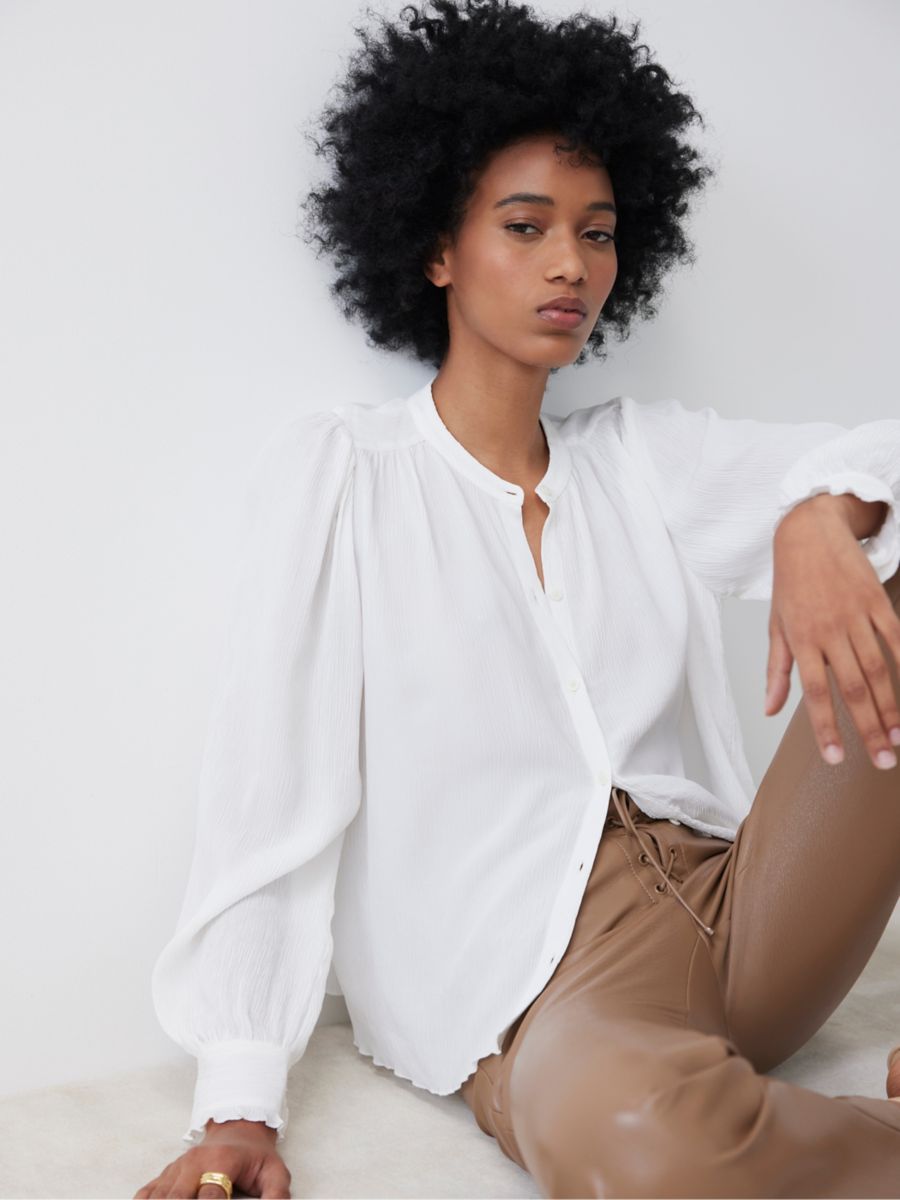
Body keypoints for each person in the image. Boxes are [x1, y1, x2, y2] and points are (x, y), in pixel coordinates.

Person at [135, 1, 900, 1197]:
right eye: (526, 225)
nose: (571, 265)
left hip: (748, 908)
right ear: (436, 246)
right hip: (545, 989)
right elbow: (270, 792)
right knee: (648, 1148)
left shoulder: (637, 458)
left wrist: (820, 514)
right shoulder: (348, 476)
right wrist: (240, 1101)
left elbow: (879, 453)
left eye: (596, 233)